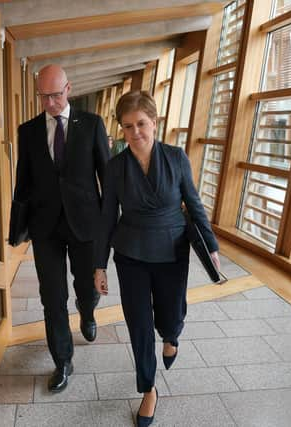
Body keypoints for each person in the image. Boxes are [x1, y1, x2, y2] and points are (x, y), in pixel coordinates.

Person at [94, 91, 220, 426]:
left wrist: (212, 247)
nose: (135, 132)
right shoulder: (115, 167)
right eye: (128, 126)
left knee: (171, 313)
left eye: (141, 124)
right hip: (131, 252)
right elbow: (107, 217)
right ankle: (148, 388)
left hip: (171, 250)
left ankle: (172, 336)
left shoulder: (177, 158)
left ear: (155, 122)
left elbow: (194, 204)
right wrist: (99, 264)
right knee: (138, 324)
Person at [11, 64, 110, 392]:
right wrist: (18, 227)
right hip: (45, 226)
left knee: (86, 286)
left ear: (69, 89)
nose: (50, 102)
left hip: (85, 223)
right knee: (52, 296)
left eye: (55, 95)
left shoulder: (92, 124)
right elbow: (22, 182)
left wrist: (111, 225)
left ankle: (88, 309)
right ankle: (62, 361)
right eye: (43, 96)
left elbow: (107, 179)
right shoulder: (27, 131)